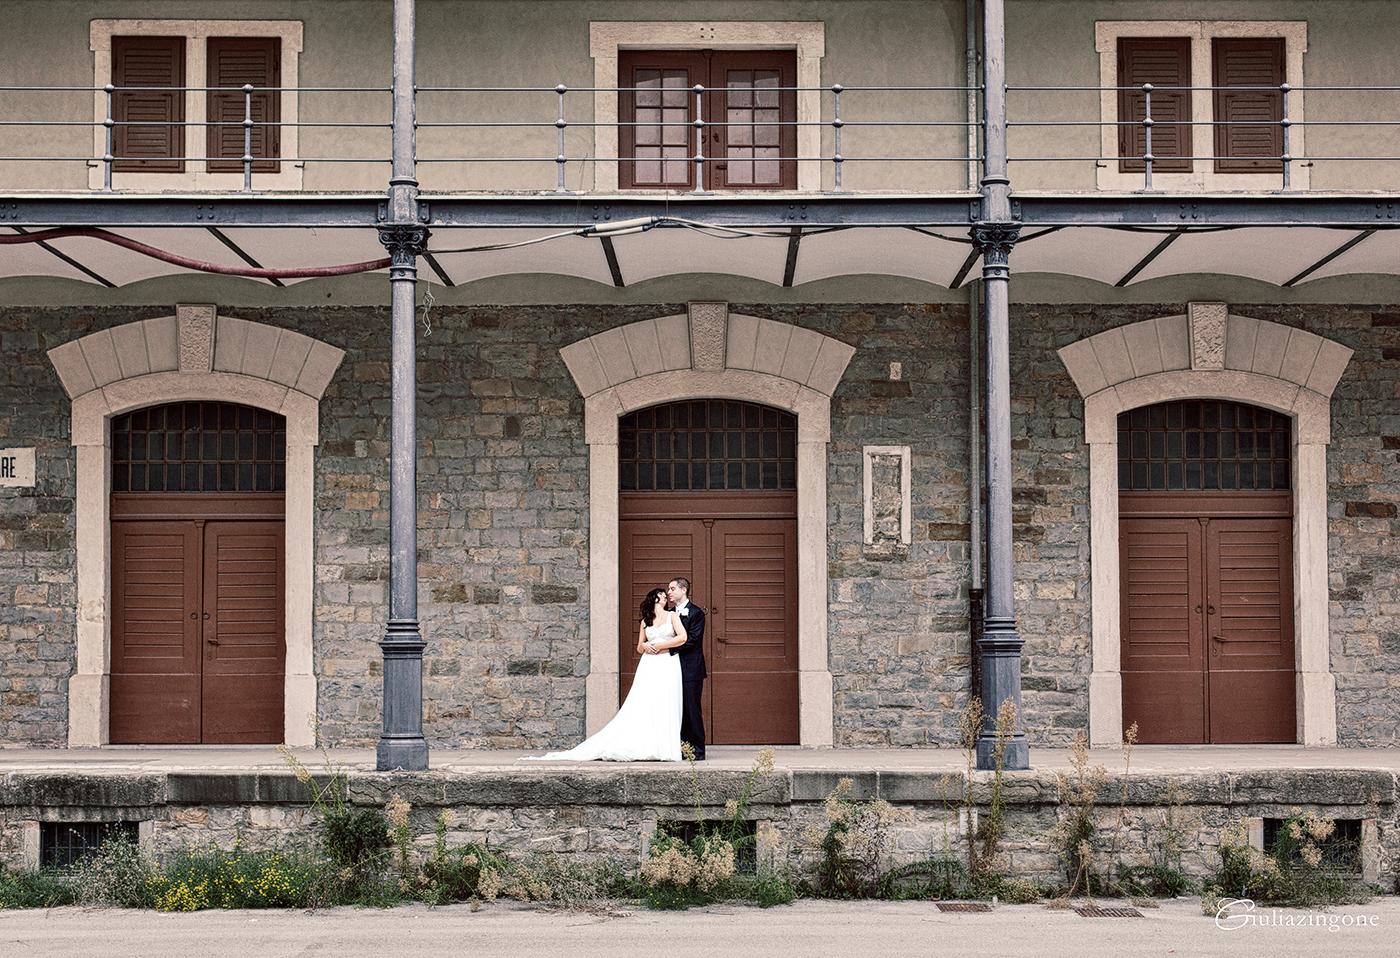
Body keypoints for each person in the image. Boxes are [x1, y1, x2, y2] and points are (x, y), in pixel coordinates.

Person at [522, 588, 685, 761]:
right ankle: (644, 744)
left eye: (664, 595)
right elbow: (639, 647)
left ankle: (664, 749)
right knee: (644, 701)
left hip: (666, 662)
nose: (664, 597)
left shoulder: (672, 616)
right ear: (653, 598)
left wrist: (659, 646)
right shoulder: (646, 621)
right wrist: (644, 646)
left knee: (665, 700)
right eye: (660, 594)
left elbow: (683, 637)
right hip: (648, 664)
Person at [666, 576, 707, 760]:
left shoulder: (697, 613)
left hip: (691, 668)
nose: (669, 592)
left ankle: (698, 750)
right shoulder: (668, 614)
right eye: (668, 589)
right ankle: (680, 748)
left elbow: (693, 639)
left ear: (684, 590)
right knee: (676, 709)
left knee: (691, 709)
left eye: (673, 589)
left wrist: (668, 647)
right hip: (671, 667)